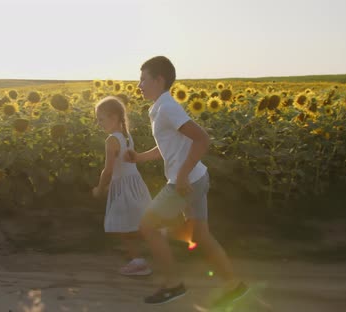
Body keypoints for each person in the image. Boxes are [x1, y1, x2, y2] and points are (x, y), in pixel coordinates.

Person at [126, 56, 248, 306]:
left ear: (159, 80)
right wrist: (139, 157)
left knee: (148, 226)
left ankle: (174, 284)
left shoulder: (168, 108)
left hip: (185, 181)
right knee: (200, 236)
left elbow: (202, 139)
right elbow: (168, 147)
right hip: (198, 177)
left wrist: (181, 175)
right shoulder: (160, 107)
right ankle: (234, 285)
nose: (139, 85)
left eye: (143, 79)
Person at [92, 96, 153, 276]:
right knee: (137, 224)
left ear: (113, 117)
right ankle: (149, 254)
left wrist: (100, 188)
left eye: (101, 119)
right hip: (135, 184)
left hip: (124, 189)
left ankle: (138, 262)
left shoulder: (111, 140)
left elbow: (109, 170)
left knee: (123, 228)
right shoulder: (127, 136)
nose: (99, 123)